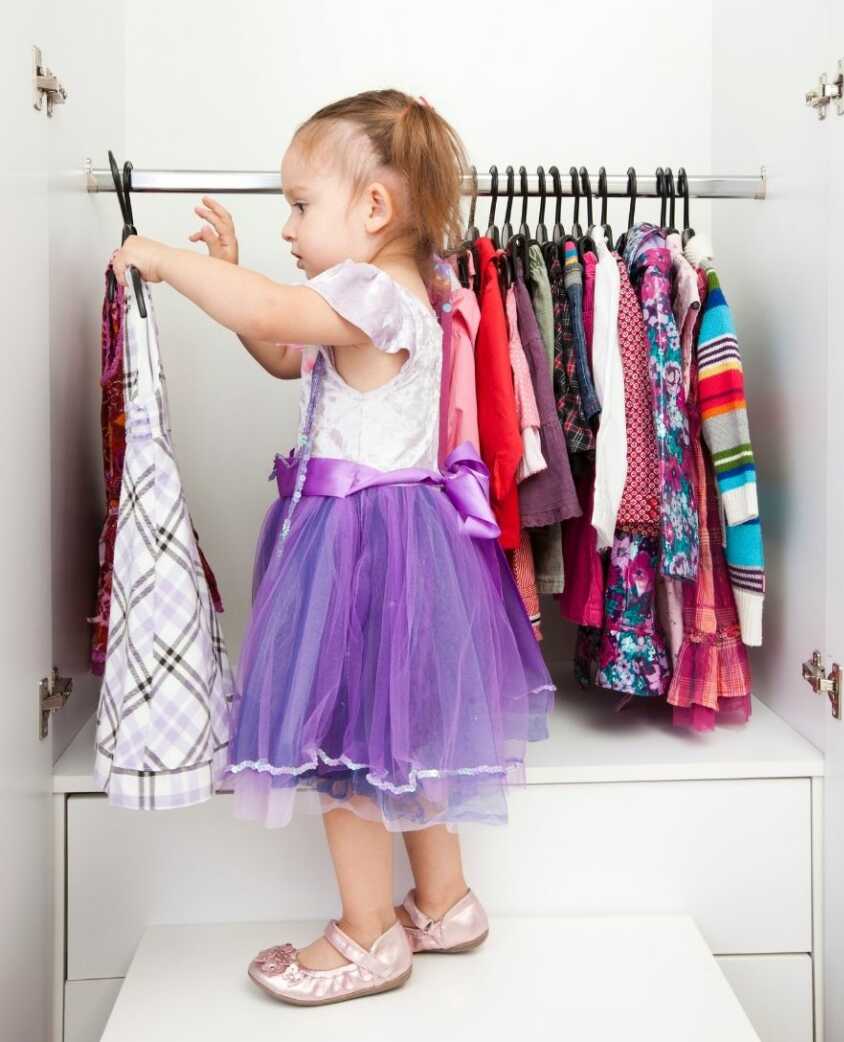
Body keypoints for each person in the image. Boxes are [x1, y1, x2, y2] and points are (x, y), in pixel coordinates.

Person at [111, 88, 555, 1008]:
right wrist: (234, 286)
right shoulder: (394, 298)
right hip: (401, 542)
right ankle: (445, 902)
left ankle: (366, 936)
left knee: (349, 743)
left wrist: (165, 263)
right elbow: (283, 349)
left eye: (301, 207)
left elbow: (279, 312)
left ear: (375, 210)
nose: (287, 228)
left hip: (365, 546)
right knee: (408, 741)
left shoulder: (373, 292)